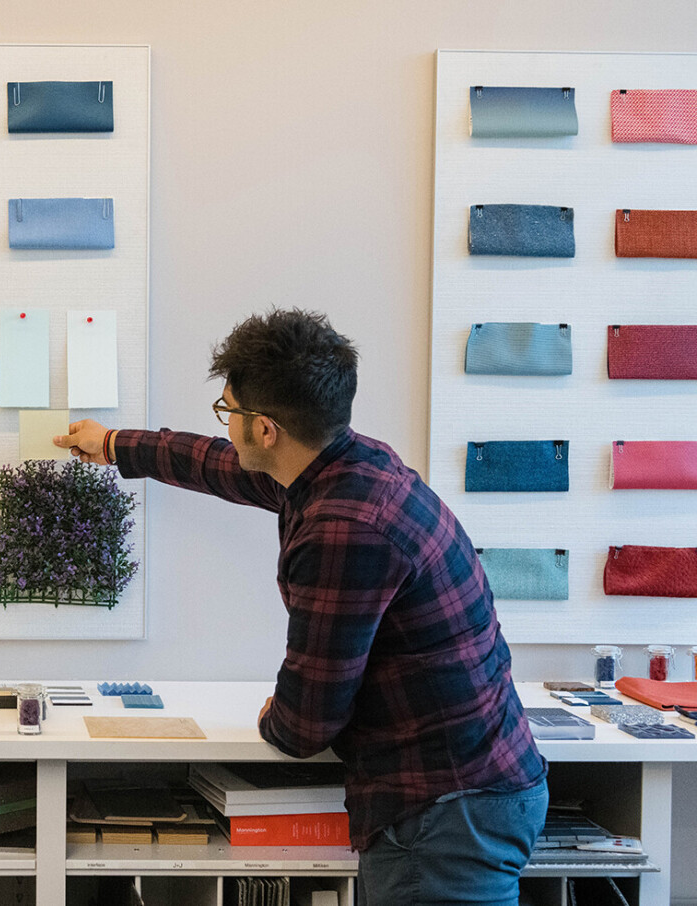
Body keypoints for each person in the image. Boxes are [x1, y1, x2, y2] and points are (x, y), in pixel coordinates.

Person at [57, 308, 547, 904]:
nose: (226, 423)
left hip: (444, 813)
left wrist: (276, 717)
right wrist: (110, 444)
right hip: (467, 789)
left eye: (229, 410)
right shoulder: (347, 465)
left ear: (265, 429)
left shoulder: (344, 528)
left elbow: (306, 724)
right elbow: (218, 466)